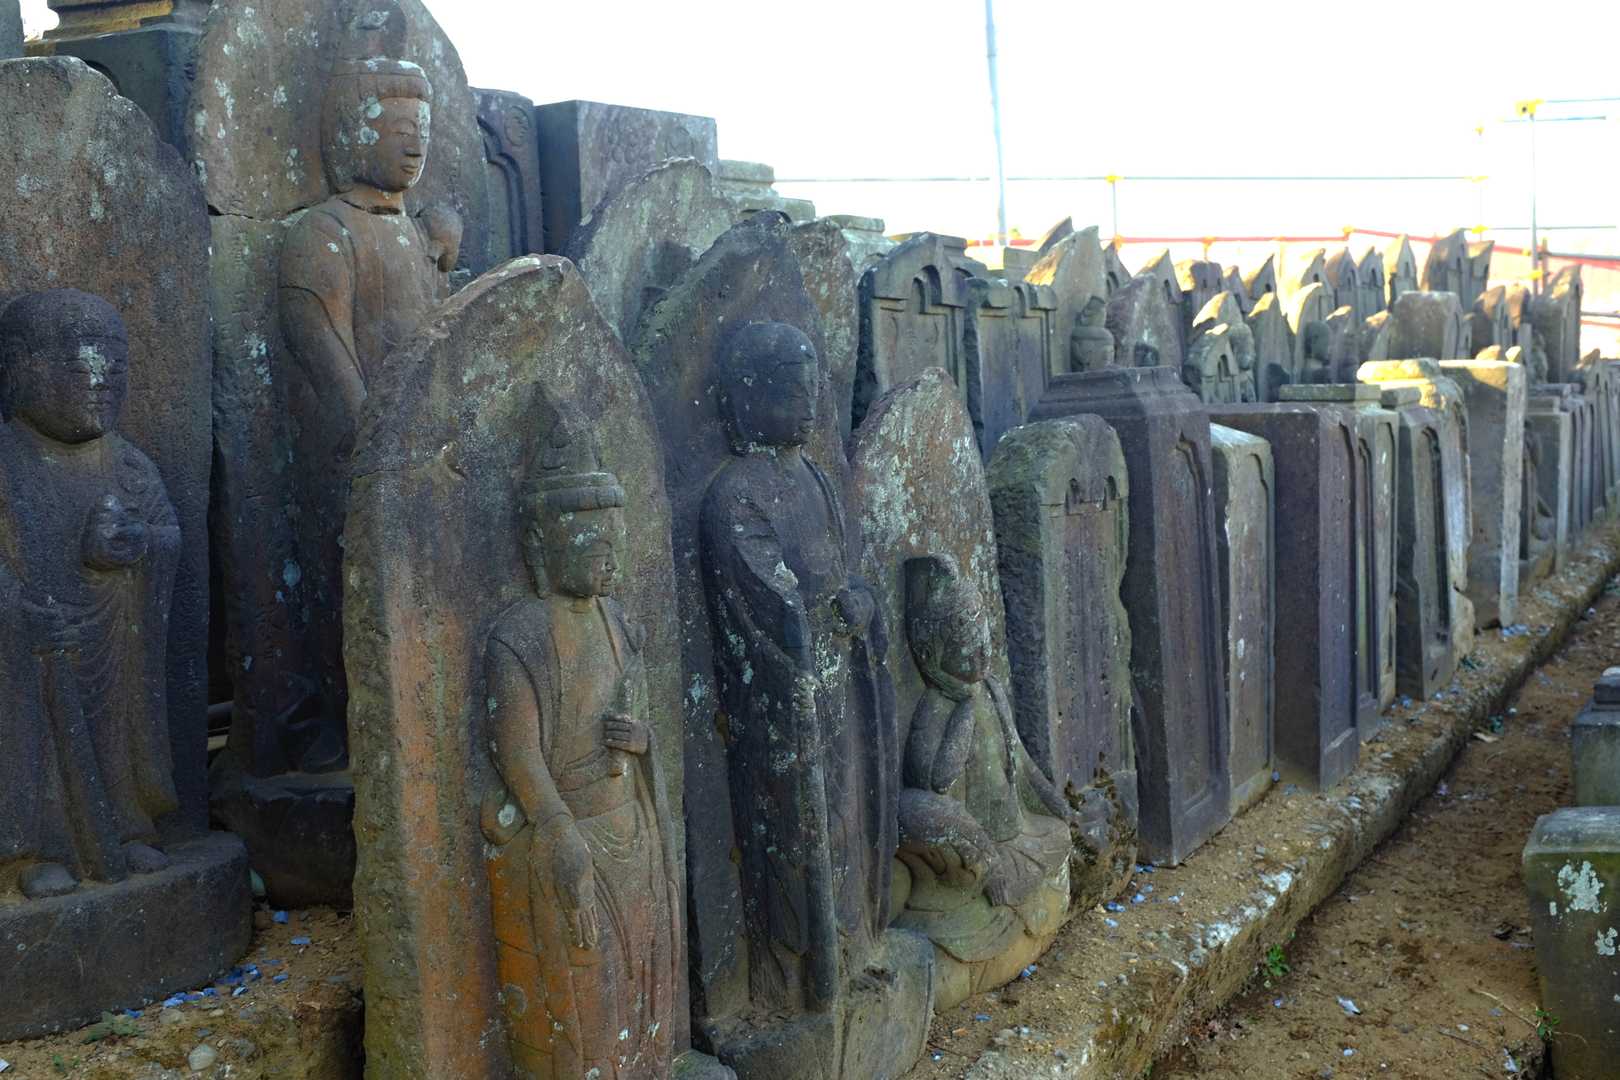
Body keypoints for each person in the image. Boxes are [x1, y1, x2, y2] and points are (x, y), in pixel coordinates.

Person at [699, 321, 896, 1012]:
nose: (807, 404)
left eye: (813, 390)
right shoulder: (737, 493)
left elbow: (845, 570)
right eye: (790, 390)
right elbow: (763, 600)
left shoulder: (814, 478)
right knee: (795, 834)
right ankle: (799, 976)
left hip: (838, 685)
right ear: (749, 396)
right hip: (782, 705)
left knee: (847, 820)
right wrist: (822, 618)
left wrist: (860, 603)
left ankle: (854, 946)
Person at [480, 405, 678, 1079]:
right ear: (541, 541)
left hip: (632, 830)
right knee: (585, 994)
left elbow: (638, 721)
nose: (603, 547)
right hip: (568, 838)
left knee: (643, 981)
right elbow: (517, 754)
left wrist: (642, 740)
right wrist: (561, 831)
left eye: (608, 530)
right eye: (584, 531)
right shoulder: (519, 638)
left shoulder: (619, 623)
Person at [275, 48, 458, 772]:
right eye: (398, 129)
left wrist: (444, 267)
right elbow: (324, 351)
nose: (415, 146)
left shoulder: (414, 236)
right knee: (351, 595)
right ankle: (343, 721)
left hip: (425, 452)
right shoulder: (322, 234)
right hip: (356, 456)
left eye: (423, 131)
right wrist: (379, 446)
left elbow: (441, 344)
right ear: (353, 132)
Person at [0, 289, 180, 898]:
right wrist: (15, 612)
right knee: (31, 738)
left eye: (115, 369)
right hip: (31, 648)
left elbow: (167, 535)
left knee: (116, 730)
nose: (100, 384)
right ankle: (33, 849)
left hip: (113, 638)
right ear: (21, 367)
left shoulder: (130, 467)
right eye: (79, 369)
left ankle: (127, 828)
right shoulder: (6, 463)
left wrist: (138, 544)